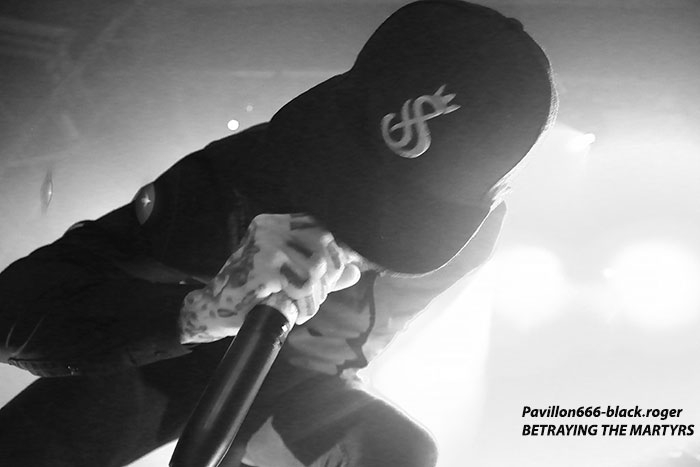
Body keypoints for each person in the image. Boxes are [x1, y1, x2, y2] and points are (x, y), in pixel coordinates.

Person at [0, 1, 557, 466]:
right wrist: (200, 311)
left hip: (304, 385)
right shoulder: (244, 170)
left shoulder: (474, 237)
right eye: (348, 170)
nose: (350, 222)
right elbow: (13, 311)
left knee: (394, 454)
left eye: (402, 211)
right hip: (172, 357)